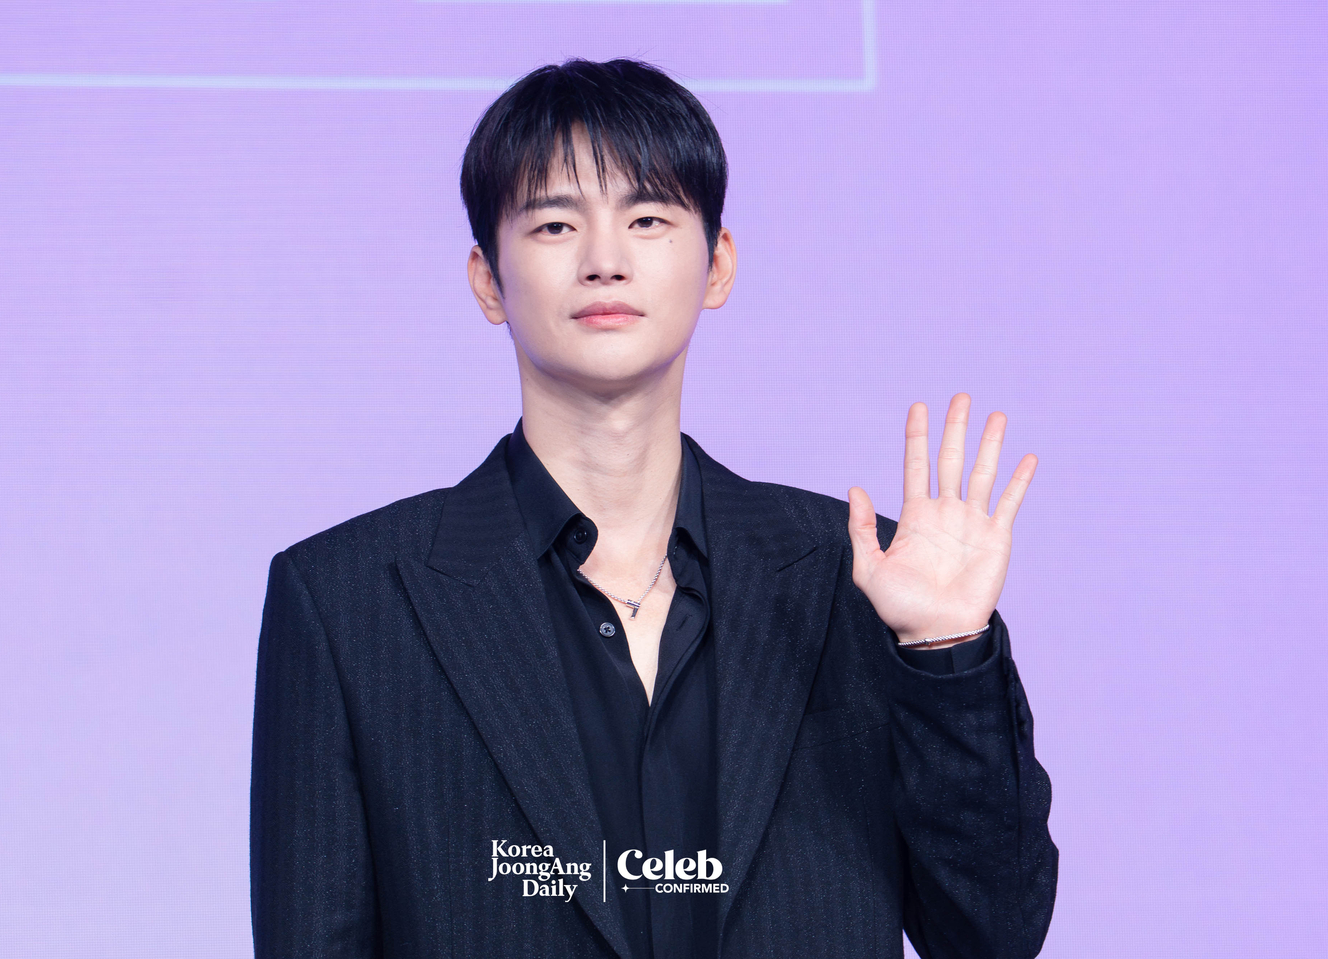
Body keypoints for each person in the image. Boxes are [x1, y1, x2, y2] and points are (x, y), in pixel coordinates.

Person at [250, 58, 1057, 959]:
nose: (604, 260)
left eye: (647, 219)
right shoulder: (349, 601)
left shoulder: (859, 577)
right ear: (487, 278)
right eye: (555, 223)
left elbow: (991, 933)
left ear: (716, 264)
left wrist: (945, 656)